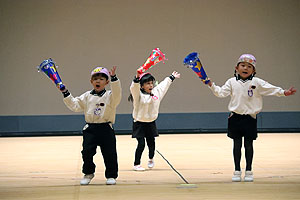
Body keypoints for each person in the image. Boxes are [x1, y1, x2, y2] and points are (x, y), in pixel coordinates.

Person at [205, 54, 296, 182]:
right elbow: (220, 93)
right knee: (236, 145)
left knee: (248, 145)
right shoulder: (231, 82)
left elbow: (270, 89)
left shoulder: (257, 82)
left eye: (249, 66)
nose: (245, 68)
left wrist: (283, 92)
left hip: (250, 119)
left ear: (253, 70)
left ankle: (249, 170)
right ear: (236, 68)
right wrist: (211, 85)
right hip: (235, 118)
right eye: (242, 65)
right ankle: (237, 170)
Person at [60, 66, 121, 185]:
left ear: (107, 82)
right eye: (95, 79)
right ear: (91, 81)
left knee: (110, 153)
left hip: (106, 129)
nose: (98, 81)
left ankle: (111, 175)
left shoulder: (110, 96)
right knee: (86, 152)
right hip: (90, 129)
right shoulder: (87, 96)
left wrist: (114, 78)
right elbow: (75, 105)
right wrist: (65, 93)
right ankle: (88, 173)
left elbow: (117, 93)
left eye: (102, 79)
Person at [129, 70, 180, 171]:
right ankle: (136, 164)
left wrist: (171, 77)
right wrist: (136, 79)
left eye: (151, 83)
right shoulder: (137, 95)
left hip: (151, 123)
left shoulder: (156, 93)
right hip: (139, 123)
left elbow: (163, 86)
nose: (150, 85)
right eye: (147, 83)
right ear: (142, 85)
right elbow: (133, 88)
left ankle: (151, 158)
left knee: (151, 144)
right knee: (141, 144)